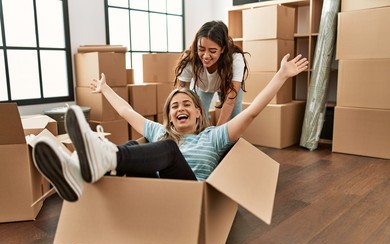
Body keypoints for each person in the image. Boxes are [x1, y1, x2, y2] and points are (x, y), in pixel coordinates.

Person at [32, 53, 308, 202]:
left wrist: (281, 75)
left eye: (187, 104)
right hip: (155, 196)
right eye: (174, 107)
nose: (180, 109)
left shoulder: (214, 135)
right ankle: (78, 174)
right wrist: (104, 89)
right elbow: (127, 111)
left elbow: (252, 113)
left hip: (192, 198)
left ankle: (101, 158)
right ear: (169, 116)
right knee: (134, 146)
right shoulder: (160, 130)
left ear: (199, 113)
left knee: (166, 148)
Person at [174, 20, 249, 125]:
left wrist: (218, 133)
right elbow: (181, 95)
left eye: (213, 51)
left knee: (234, 121)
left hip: (228, 85)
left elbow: (230, 101)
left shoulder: (236, 59)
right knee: (198, 119)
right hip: (203, 86)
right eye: (201, 49)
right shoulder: (189, 58)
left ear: (222, 49)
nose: (205, 56)